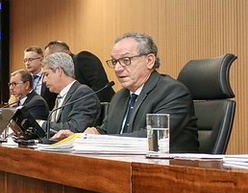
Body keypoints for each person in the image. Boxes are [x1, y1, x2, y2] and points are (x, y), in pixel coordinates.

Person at [54, 32, 199, 152]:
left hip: (170, 173)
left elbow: (150, 138)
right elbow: (106, 130)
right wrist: (79, 137)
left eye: (126, 60)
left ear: (149, 60)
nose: (117, 68)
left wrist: (99, 139)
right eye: (115, 61)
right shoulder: (120, 96)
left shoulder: (172, 92)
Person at [41, 52, 100, 136]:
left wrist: (42, 124)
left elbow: (76, 128)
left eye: (46, 74)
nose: (44, 80)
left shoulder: (83, 93)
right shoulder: (60, 96)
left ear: (59, 71)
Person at [44, 40, 115, 103]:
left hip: (102, 106)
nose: (47, 61)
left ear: (63, 53)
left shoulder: (82, 58)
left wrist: (86, 105)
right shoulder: (58, 71)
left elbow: (100, 84)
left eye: (49, 57)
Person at [24, 45, 56, 110]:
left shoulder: (49, 76)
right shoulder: (23, 80)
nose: (27, 63)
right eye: (25, 60)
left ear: (41, 60)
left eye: (30, 60)